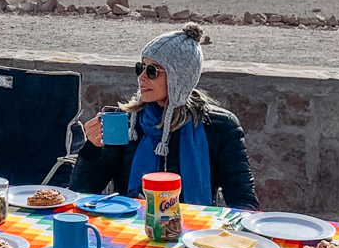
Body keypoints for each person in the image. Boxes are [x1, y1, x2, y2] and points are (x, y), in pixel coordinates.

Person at [71, 23, 259, 208]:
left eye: (152, 71)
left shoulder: (219, 126)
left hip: (192, 229)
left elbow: (244, 201)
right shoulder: (127, 121)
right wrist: (92, 149)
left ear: (179, 77)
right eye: (140, 67)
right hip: (132, 225)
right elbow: (83, 191)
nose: (141, 77)